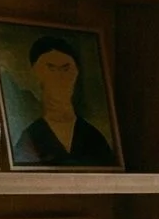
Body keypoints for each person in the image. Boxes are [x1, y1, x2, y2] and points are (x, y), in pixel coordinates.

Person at [11, 35, 117, 166]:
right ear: (36, 74)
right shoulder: (29, 138)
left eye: (66, 69)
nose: (59, 77)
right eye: (51, 69)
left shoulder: (94, 137)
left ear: (76, 74)